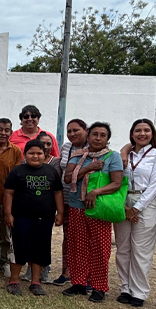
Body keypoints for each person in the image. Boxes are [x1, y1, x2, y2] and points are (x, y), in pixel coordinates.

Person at [62, 122, 124, 303]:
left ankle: (98, 287)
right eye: (95, 134)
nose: (98, 138)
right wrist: (89, 168)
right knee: (77, 246)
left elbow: (116, 183)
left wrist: (95, 192)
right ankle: (79, 283)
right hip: (77, 206)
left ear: (108, 139)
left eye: (103, 135)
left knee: (100, 247)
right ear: (88, 136)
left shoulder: (113, 157)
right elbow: (67, 178)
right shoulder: (77, 155)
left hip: (99, 208)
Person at [112, 119, 156, 308]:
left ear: (152, 133)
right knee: (123, 248)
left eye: (146, 130)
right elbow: (116, 179)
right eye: (138, 130)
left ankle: (139, 291)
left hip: (147, 202)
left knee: (141, 250)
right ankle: (125, 288)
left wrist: (136, 208)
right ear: (132, 133)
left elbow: (155, 184)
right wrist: (125, 208)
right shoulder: (125, 154)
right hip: (123, 201)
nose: (142, 134)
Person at [3, 140, 63, 296]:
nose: (35, 156)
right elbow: (8, 193)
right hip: (21, 218)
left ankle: (35, 282)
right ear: (25, 155)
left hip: (45, 219)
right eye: (31, 153)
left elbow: (57, 192)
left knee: (40, 249)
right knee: (19, 248)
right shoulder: (17, 171)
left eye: (39, 153)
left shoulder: (51, 171)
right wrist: (8, 214)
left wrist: (60, 213)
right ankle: (13, 281)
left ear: (45, 154)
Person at [21, 131, 62, 283]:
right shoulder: (24, 164)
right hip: (27, 209)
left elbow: (57, 189)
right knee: (28, 240)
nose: (45, 146)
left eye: (48, 144)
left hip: (46, 209)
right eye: (42, 143)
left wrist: (60, 212)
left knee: (43, 241)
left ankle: (44, 270)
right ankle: (29, 269)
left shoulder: (56, 164)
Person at [53, 118, 88, 286]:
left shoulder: (93, 148)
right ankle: (66, 272)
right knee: (68, 237)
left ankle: (86, 274)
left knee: (85, 239)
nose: (72, 134)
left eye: (76, 130)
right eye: (69, 131)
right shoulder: (66, 147)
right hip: (66, 198)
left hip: (85, 199)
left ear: (85, 131)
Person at [0, 118, 22, 279]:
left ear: (11, 133)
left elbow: (17, 176)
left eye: (6, 130)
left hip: (8, 199)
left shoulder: (15, 151)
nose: (3, 133)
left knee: (6, 235)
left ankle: (4, 262)